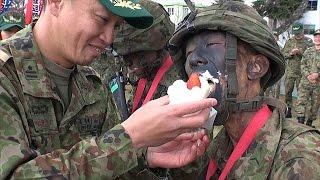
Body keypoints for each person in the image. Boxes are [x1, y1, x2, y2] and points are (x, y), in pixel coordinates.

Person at [0, 0, 216, 179]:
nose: (110, 38)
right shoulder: (6, 77)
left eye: (116, 26)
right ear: (56, 3)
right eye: (102, 19)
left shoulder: (91, 85)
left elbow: (109, 169)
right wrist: (130, 138)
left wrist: (146, 155)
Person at [169, 1, 320, 179]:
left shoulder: (300, 159)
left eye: (211, 46)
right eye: (189, 53)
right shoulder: (212, 145)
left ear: (256, 67)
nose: (194, 60)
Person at [282, 22, 314, 118]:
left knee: (302, 94)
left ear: (302, 30)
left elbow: (312, 56)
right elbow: (283, 54)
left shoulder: (308, 41)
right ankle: (288, 110)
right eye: (295, 33)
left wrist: (300, 53)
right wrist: (290, 53)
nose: (297, 35)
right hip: (290, 72)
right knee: (288, 92)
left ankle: (301, 114)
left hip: (303, 73)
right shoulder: (290, 41)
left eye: (298, 33)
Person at [295, 29, 320, 127]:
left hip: (318, 84)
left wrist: (318, 74)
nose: (317, 38)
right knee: (301, 102)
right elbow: (303, 64)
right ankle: (300, 125)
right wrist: (308, 75)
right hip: (305, 82)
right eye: (316, 36)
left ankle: (309, 124)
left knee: (315, 105)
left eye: (319, 36)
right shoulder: (308, 51)